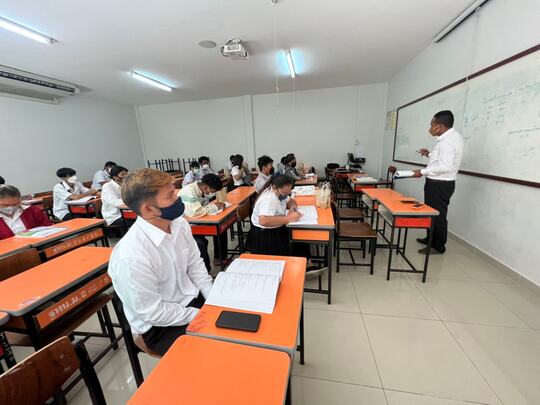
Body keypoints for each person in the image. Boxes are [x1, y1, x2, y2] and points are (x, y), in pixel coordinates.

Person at [108, 168, 213, 356]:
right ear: (148, 209)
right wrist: (201, 316)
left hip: (190, 301)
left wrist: (213, 301)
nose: (178, 197)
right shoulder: (131, 256)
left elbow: (195, 266)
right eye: (170, 195)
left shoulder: (179, 224)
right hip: (159, 325)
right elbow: (153, 312)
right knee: (213, 353)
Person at [412, 110, 464, 255]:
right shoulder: (453, 137)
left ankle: (438, 246)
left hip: (439, 185)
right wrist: (429, 154)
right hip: (440, 183)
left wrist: (422, 171)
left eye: (432, 124)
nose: (430, 128)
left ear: (439, 126)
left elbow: (445, 166)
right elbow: (442, 160)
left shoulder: (446, 142)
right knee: (431, 213)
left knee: (438, 216)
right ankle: (430, 239)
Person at [248, 174, 311, 258]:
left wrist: (292, 208)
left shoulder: (279, 192)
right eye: (284, 193)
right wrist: (289, 218)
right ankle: (305, 262)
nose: (285, 195)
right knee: (298, 244)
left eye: (288, 193)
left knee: (301, 239)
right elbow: (263, 221)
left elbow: (291, 201)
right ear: (274, 187)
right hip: (266, 235)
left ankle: (307, 261)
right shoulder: (269, 199)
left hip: (276, 227)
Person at [180, 174, 228, 271]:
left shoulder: (200, 190)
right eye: (212, 191)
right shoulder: (188, 191)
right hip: (186, 226)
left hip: (198, 221)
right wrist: (215, 207)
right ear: (206, 187)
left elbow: (204, 207)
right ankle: (206, 271)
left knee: (220, 229)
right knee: (200, 243)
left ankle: (219, 258)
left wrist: (214, 206)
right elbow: (194, 213)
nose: (212, 194)